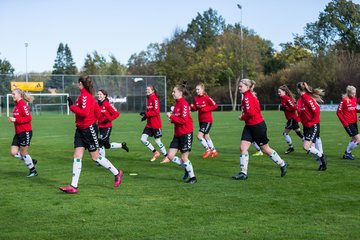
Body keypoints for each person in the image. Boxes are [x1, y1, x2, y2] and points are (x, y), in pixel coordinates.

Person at [59, 76, 123, 194]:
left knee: (95, 157)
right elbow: (97, 112)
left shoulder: (85, 96)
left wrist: (72, 107)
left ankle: (117, 173)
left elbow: (83, 113)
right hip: (80, 130)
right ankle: (74, 186)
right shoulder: (85, 96)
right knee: (77, 157)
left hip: (88, 130)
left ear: (80, 84)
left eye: (78, 83)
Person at [232, 79, 288, 180]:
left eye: (241, 86)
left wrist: (242, 117)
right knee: (243, 148)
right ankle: (243, 173)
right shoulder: (247, 96)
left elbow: (251, 113)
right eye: (239, 86)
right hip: (249, 126)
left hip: (258, 126)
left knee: (265, 149)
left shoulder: (247, 98)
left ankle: (282, 164)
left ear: (247, 87)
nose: (239, 88)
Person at [165, 83, 197, 184]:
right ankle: (187, 168)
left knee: (184, 157)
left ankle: (193, 178)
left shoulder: (184, 104)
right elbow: (178, 119)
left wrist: (171, 117)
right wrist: (172, 120)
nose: (172, 93)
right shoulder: (177, 104)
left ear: (180, 93)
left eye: (174, 92)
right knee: (170, 156)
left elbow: (183, 120)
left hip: (186, 133)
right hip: (177, 134)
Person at [296, 82, 327, 171]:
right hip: (306, 126)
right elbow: (300, 112)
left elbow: (316, 111)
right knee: (312, 148)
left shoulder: (307, 98)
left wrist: (311, 123)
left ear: (298, 90)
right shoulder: (300, 99)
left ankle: (322, 157)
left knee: (306, 147)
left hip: (313, 126)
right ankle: (322, 164)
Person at [8, 88, 38, 177]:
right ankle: (30, 160)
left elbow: (29, 118)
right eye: (12, 94)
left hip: (25, 132)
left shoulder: (23, 105)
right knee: (13, 152)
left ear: (19, 95)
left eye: (14, 94)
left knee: (23, 153)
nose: (12, 96)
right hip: (18, 133)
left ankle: (33, 171)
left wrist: (15, 119)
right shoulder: (17, 105)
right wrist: (13, 119)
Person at [140, 85, 169, 162]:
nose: (147, 91)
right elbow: (150, 111)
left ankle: (166, 156)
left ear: (153, 91)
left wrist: (146, 114)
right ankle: (155, 152)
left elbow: (156, 112)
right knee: (143, 139)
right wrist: (145, 116)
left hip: (156, 124)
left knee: (157, 141)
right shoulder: (149, 99)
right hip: (149, 125)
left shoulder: (155, 99)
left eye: (148, 89)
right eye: (146, 89)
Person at [97, 89, 129, 158]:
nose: (99, 96)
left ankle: (101, 161)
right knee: (107, 146)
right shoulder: (97, 104)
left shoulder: (108, 104)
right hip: (100, 127)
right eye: (98, 94)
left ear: (104, 96)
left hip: (107, 127)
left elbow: (116, 114)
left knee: (100, 142)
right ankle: (122, 145)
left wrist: (108, 119)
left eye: (100, 94)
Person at [190, 83, 218, 158]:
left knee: (199, 136)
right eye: (196, 89)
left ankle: (207, 149)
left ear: (202, 90)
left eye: (198, 89)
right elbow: (196, 109)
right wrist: (192, 107)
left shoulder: (207, 98)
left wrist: (206, 109)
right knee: (206, 136)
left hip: (207, 120)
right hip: (201, 120)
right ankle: (214, 151)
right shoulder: (195, 99)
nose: (197, 91)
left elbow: (215, 105)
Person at [278, 85, 304, 154]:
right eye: (278, 92)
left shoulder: (286, 98)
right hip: (292, 119)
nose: (278, 93)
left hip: (292, 119)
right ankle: (309, 146)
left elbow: (294, 107)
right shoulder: (282, 98)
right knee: (299, 133)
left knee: (285, 133)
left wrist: (286, 108)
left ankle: (291, 147)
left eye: (280, 92)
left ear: (284, 92)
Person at [336, 85, 360, 160]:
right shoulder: (344, 100)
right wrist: (344, 123)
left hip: (354, 122)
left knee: (354, 139)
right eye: (352, 93)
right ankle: (347, 153)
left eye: (355, 93)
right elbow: (338, 112)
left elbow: (354, 109)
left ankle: (347, 153)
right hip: (348, 123)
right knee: (358, 139)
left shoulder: (354, 99)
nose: (354, 95)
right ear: (348, 93)